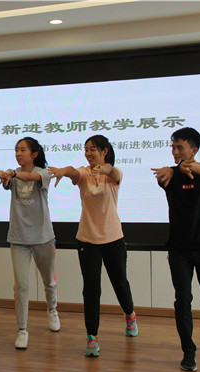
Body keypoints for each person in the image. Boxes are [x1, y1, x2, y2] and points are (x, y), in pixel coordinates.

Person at [48, 134, 138, 357]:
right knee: (91, 289)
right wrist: (63, 171)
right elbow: (73, 171)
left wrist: (103, 169)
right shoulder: (84, 173)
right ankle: (92, 337)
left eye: (93, 149)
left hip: (113, 239)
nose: (88, 153)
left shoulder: (113, 175)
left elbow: (112, 171)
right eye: (86, 149)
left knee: (120, 284)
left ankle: (130, 315)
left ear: (104, 151)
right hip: (87, 240)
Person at [152, 127, 200, 372]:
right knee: (182, 300)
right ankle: (188, 352)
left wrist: (182, 167)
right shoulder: (169, 176)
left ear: (194, 149)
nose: (174, 151)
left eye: (179, 147)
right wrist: (174, 170)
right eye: (173, 147)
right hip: (179, 250)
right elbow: (164, 178)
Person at [0, 137, 59, 350]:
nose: (18, 154)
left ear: (34, 154)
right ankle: (22, 330)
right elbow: (8, 183)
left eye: (23, 150)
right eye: (16, 150)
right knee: (21, 286)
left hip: (43, 237)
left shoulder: (44, 173)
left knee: (49, 281)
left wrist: (12, 174)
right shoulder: (13, 174)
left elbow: (31, 177)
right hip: (18, 238)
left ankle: (52, 310)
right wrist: (6, 178)